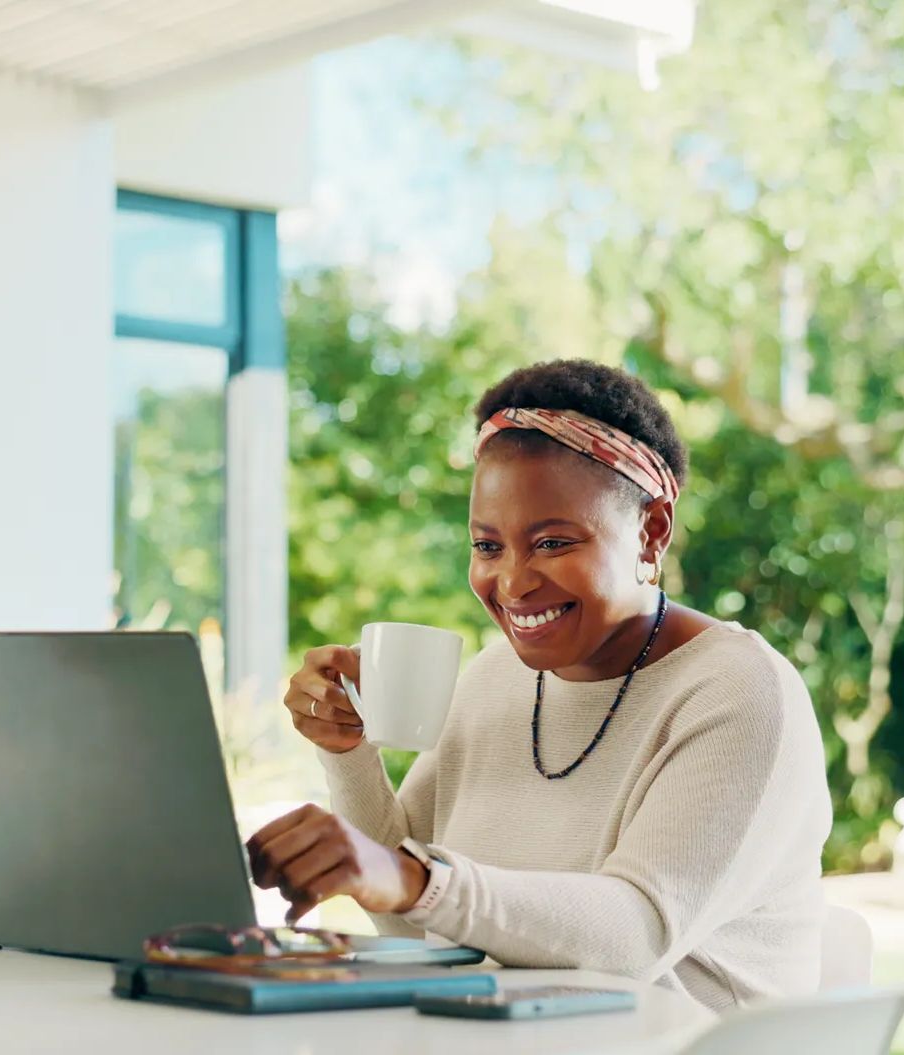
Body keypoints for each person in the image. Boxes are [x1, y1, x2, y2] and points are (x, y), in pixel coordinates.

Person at [245, 359, 831, 1010]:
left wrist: (412, 879)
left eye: (553, 542)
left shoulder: (737, 690)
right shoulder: (494, 677)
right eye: (488, 545)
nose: (514, 582)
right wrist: (348, 753)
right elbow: (418, 919)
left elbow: (634, 933)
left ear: (652, 530)